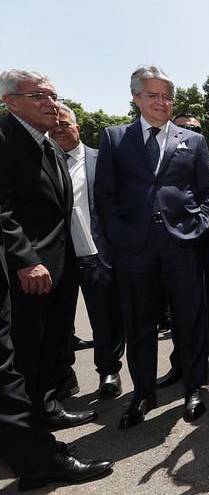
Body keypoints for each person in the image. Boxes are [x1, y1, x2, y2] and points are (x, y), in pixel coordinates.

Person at [94, 65, 209, 429]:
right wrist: (119, 235)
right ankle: (143, 394)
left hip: (183, 245)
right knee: (138, 324)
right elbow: (105, 196)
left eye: (167, 96)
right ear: (136, 98)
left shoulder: (193, 140)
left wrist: (201, 224)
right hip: (134, 248)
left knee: (190, 320)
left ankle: (194, 388)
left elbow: (207, 191)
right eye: (153, 95)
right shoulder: (115, 137)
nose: (162, 102)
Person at [0, 69, 97, 430]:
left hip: (59, 267)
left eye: (54, 96)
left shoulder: (49, 143)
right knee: (27, 353)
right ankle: (30, 438)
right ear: (11, 102)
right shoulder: (5, 139)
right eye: (39, 96)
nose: (51, 103)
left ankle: (47, 408)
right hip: (28, 272)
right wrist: (25, 259)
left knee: (51, 347)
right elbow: (2, 208)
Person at [1, 228, 114, 490]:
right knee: (6, 370)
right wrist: (22, 256)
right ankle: (37, 459)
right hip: (24, 253)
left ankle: (36, 435)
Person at [49, 103, 125, 399]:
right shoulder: (44, 161)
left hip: (97, 253)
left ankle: (109, 370)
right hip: (57, 256)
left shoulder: (103, 159)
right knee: (58, 321)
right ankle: (64, 375)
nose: (58, 130)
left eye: (64, 124)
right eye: (53, 126)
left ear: (77, 128)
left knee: (105, 317)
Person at [157, 116, 209, 388]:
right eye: (183, 128)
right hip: (172, 251)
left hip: (207, 250)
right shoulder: (161, 163)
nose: (188, 133)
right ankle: (180, 365)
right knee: (177, 314)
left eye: (195, 130)